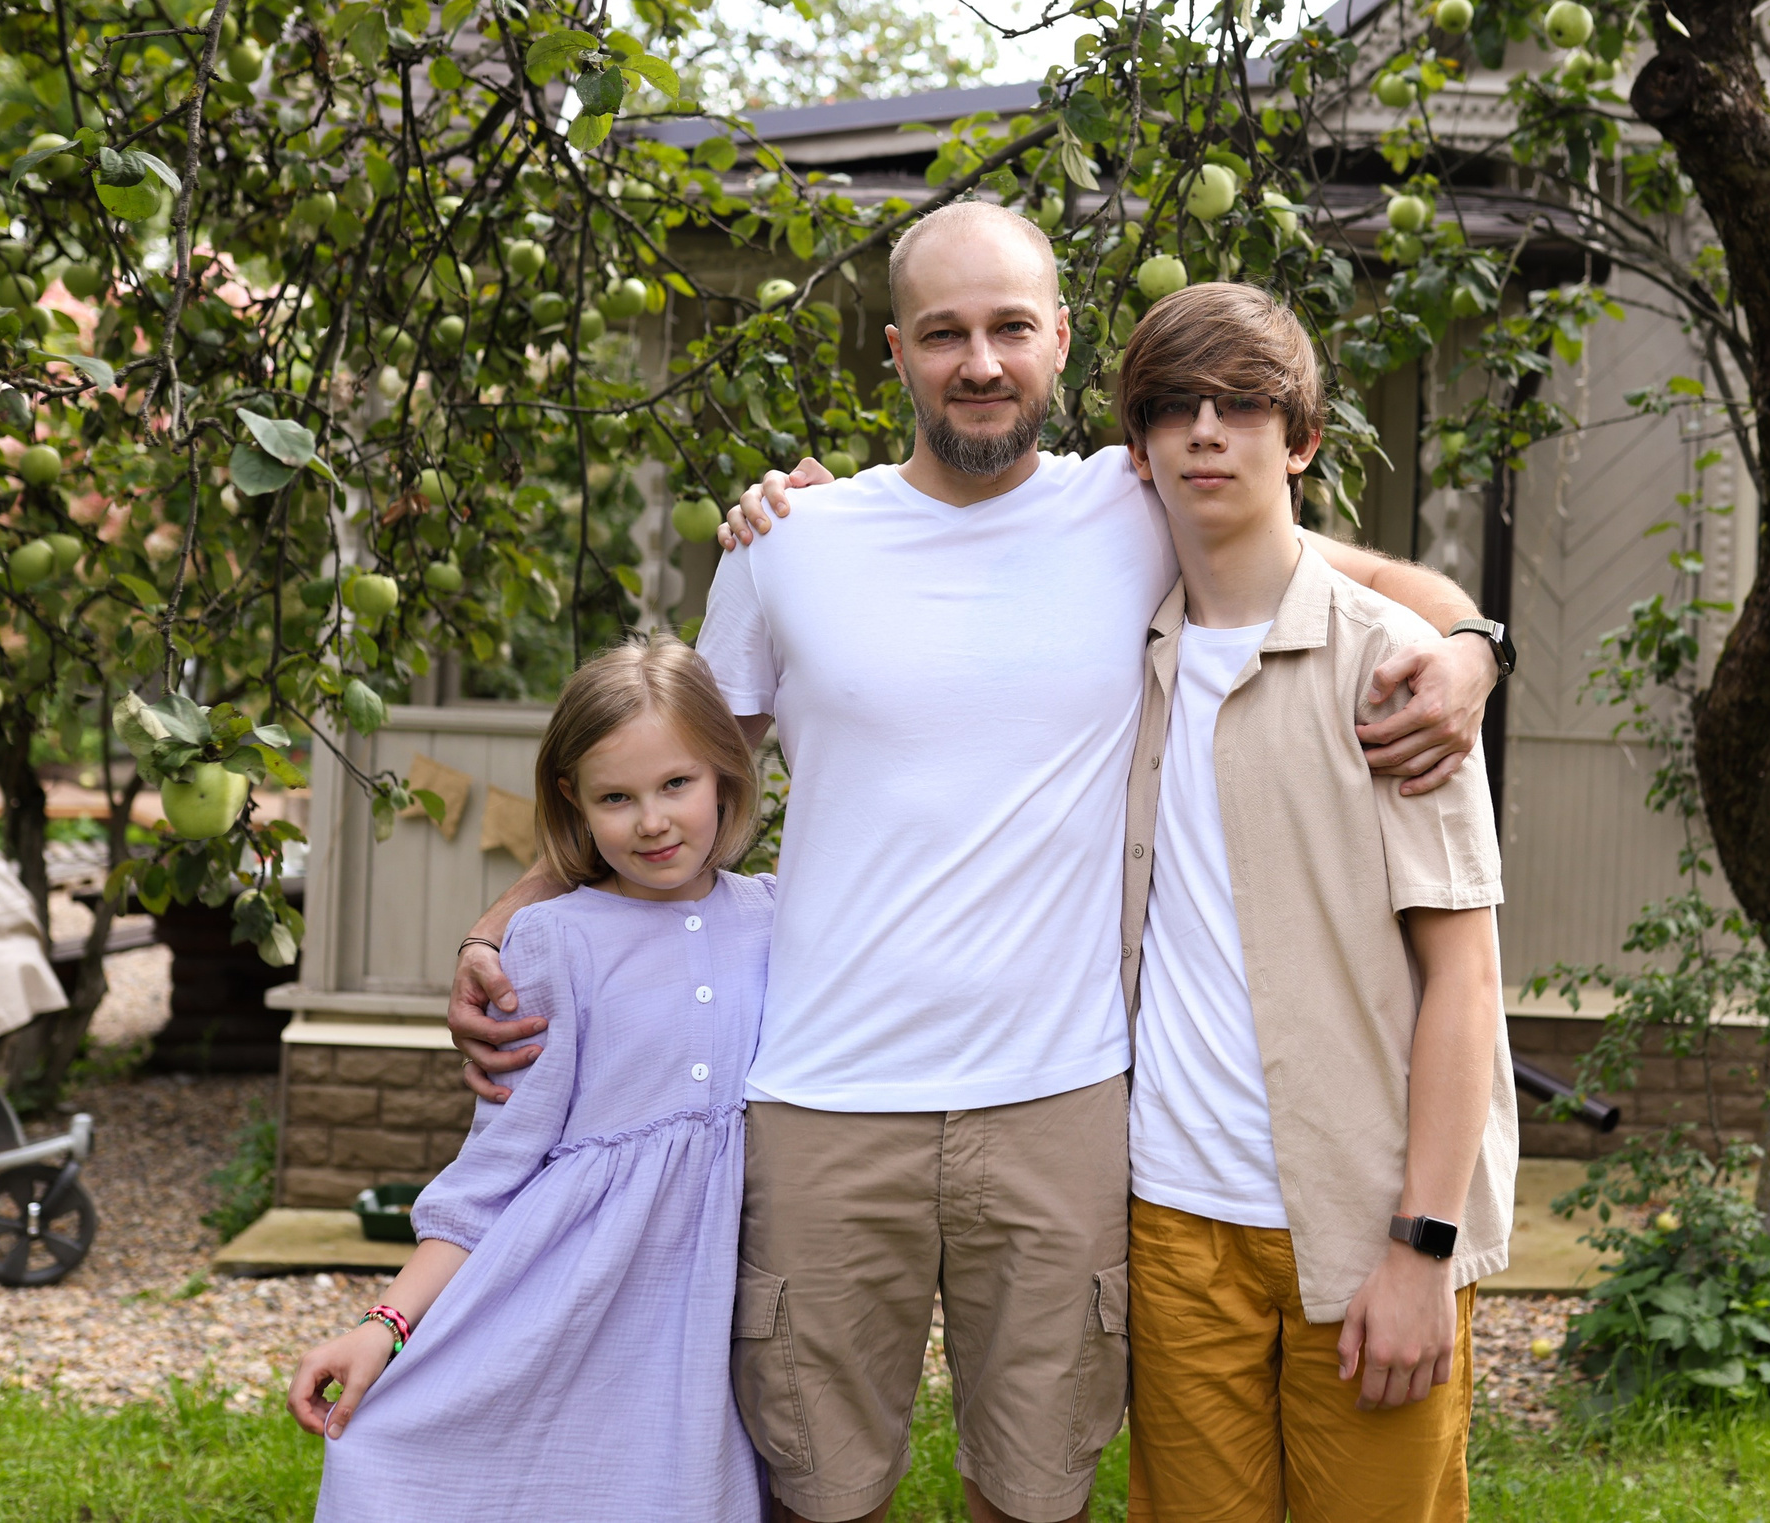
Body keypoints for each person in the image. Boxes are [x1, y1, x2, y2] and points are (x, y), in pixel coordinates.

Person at [446, 200, 1511, 1523]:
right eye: (944, 332)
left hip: (1061, 1101)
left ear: (1061, 341)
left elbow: (1342, 577)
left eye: (1012, 326)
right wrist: (507, 916)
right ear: (896, 350)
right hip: (825, 1095)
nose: (982, 361)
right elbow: (665, 791)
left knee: (1039, 1489)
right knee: (815, 1491)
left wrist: (1471, 647)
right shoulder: (790, 547)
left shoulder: (1133, 507)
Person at [1112, 283, 1520, 1523]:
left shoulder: (1392, 666)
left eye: (1242, 406)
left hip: (1363, 1226)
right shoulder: (1119, 645)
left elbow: (1466, 979)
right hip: (1175, 1222)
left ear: (1299, 441)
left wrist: (1423, 1246)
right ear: (1136, 451)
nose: (1204, 431)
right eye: (1174, 409)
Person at [288, 637, 773, 1523]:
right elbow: (493, 1172)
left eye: (677, 785)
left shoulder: (777, 918)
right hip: (568, 1301)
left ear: (725, 775)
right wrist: (383, 1326)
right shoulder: (555, 939)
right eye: (615, 797)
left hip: (704, 1314)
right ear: (573, 803)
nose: (652, 820)